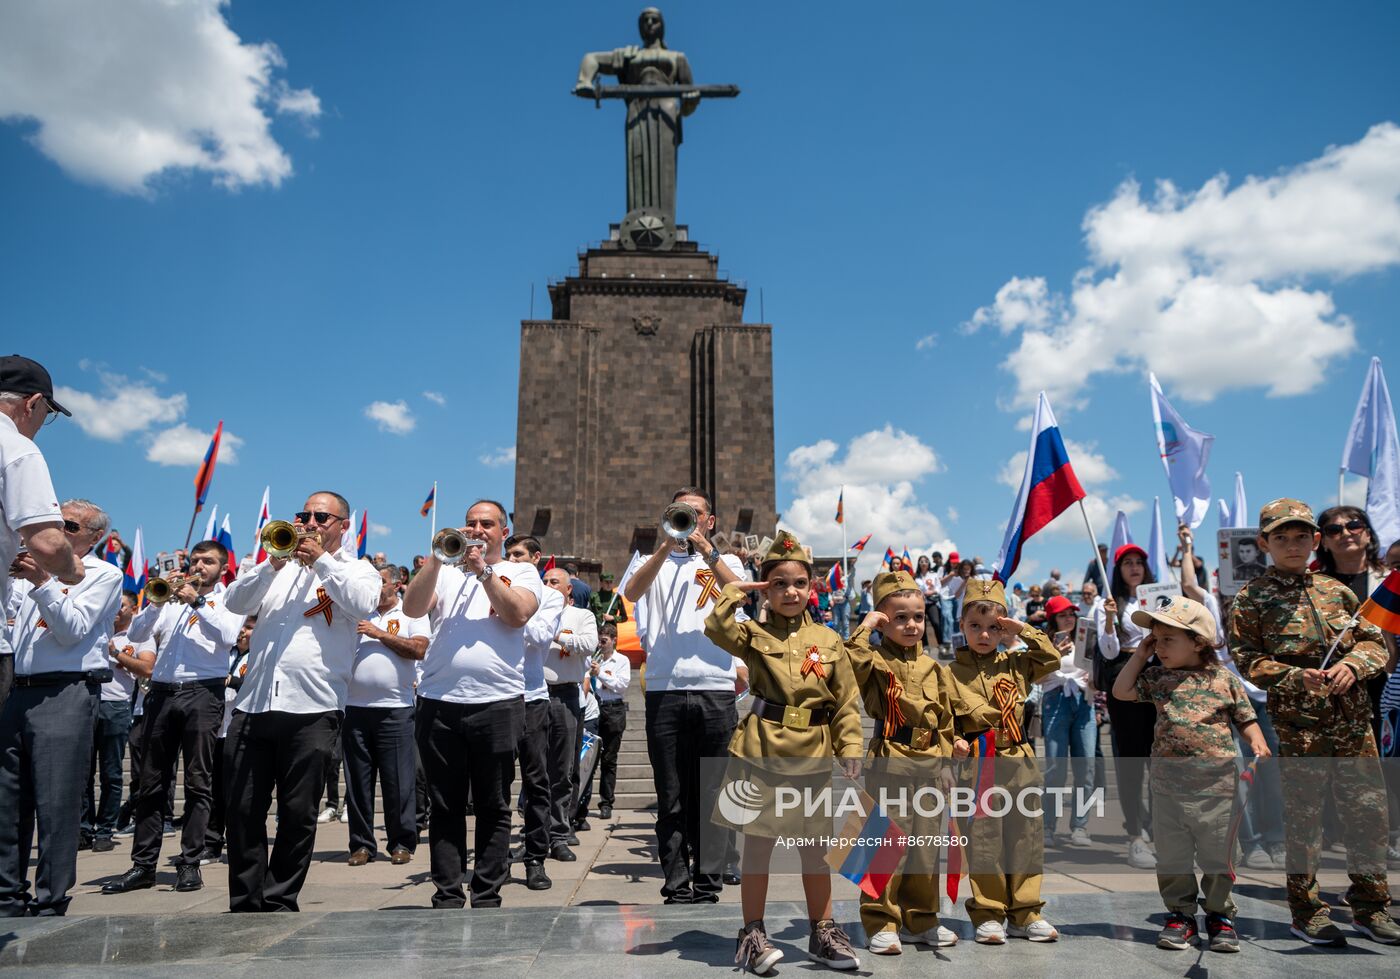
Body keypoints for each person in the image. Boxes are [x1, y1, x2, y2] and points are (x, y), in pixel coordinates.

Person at [1229, 498, 1399, 946]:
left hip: (1353, 724)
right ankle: (1306, 913)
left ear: (1315, 540)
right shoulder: (1251, 599)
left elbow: (1373, 643)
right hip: (1299, 727)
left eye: (1301, 536)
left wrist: (1354, 666)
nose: (1293, 545)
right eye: (1281, 537)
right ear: (1264, 543)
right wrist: (1293, 676)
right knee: (1304, 821)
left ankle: (1371, 908)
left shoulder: (1337, 592)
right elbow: (1246, 660)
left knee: (1368, 814)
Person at [703, 531, 864, 973]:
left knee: (815, 847)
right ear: (765, 590)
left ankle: (823, 932)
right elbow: (715, 628)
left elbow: (845, 700)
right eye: (779, 584)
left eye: (799, 583)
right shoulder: (752, 634)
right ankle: (753, 935)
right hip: (760, 750)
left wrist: (850, 745)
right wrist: (734, 592)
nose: (790, 592)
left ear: (812, 588)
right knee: (759, 846)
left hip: (812, 751)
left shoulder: (828, 640)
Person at [220, 491, 381, 913]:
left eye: (321, 517)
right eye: (304, 515)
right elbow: (234, 602)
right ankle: (245, 902)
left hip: (313, 706)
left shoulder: (357, 570)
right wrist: (272, 563)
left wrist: (321, 561)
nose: (310, 523)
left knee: (297, 812)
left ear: (343, 525)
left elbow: (364, 603)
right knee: (241, 809)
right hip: (254, 704)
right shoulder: (278, 566)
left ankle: (278, 899)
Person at [846, 570, 998, 955]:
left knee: (925, 848)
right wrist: (866, 627)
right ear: (883, 620)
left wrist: (947, 761)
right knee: (885, 845)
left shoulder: (934, 668)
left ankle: (922, 918)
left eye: (917, 616)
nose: (911, 625)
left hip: (929, 764)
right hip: (891, 760)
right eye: (899, 617)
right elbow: (849, 661)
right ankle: (881, 920)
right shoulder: (874, 658)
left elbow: (945, 719)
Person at [403, 500, 542, 909]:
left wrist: (483, 571)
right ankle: (447, 893)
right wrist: (436, 557)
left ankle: (486, 894)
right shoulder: (444, 571)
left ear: (503, 532)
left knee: (492, 804)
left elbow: (517, 614)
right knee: (444, 805)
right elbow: (411, 608)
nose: (477, 530)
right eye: (470, 523)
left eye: (486, 524)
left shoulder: (521, 571)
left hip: (497, 702)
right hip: (439, 700)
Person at [1113, 596, 1268, 953]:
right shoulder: (1157, 677)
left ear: (1198, 641)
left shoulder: (1223, 679)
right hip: (1168, 789)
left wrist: (1256, 740)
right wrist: (1139, 656)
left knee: (1219, 856)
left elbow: (1245, 718)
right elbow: (1121, 692)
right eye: (1155, 639)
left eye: (1168, 639)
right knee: (1172, 857)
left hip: (1218, 789)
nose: (1159, 647)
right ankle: (1180, 916)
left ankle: (1219, 915)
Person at [621, 486, 747, 904]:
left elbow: (740, 591)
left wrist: (706, 551)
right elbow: (631, 593)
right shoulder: (649, 560)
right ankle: (676, 886)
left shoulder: (725, 560)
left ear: (709, 521)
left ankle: (708, 885)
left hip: (715, 688)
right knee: (671, 795)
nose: (688, 519)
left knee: (712, 794)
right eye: (680, 512)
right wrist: (666, 546)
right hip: (665, 689)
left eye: (695, 513)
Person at [102, 539, 243, 895]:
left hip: (203, 692)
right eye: (195, 560)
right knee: (150, 783)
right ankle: (143, 865)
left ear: (223, 568)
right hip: (162, 694)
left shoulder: (229, 599)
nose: (199, 567)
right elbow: (137, 633)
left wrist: (197, 601)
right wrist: (156, 602)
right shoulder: (169, 602)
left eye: (208, 561)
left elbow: (228, 635)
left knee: (197, 782)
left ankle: (190, 862)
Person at [0, 497, 119, 917]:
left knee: (56, 803)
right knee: (8, 801)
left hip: (66, 691)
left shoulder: (104, 574)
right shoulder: (28, 569)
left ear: (94, 537)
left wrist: (42, 582)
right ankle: (7, 897)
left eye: (69, 526)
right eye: (55, 522)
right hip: (19, 689)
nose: (57, 531)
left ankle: (51, 900)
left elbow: (72, 631)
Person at [948, 579, 1062, 944]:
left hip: (1019, 759)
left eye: (993, 627)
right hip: (979, 764)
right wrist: (953, 740)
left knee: (1026, 837)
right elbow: (943, 719)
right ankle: (989, 912)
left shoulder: (1017, 663)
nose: (984, 634)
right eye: (975, 626)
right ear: (962, 625)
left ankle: (1026, 912)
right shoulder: (949, 673)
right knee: (984, 840)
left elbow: (1052, 659)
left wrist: (1022, 629)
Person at [0, 356, 85, 710]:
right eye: (46, 413)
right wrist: (72, 568)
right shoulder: (16, 447)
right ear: (32, 403)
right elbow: (48, 545)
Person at [343, 564, 430, 867]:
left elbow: (418, 649)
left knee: (399, 782)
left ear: (396, 584)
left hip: (395, 709)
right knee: (358, 783)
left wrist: (379, 634)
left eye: (379, 582)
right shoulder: (356, 614)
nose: (374, 587)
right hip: (354, 709)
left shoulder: (411, 613)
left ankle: (401, 842)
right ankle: (361, 845)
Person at [1096, 542, 1159, 869]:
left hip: (1159, 680)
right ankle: (1135, 832)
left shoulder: (1160, 599)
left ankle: (1158, 826)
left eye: (1139, 562)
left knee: (1160, 757)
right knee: (1131, 759)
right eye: (1127, 563)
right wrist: (1109, 620)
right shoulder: (1107, 603)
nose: (1134, 568)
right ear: (1118, 570)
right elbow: (1108, 651)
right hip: (1125, 679)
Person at [504, 533, 561, 891]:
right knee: (494, 783)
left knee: (537, 781)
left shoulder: (551, 596)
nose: (511, 560)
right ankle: (494, 859)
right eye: (508, 554)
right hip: (496, 696)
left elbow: (539, 636)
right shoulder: (494, 585)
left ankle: (535, 858)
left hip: (532, 698)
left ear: (536, 558)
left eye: (518, 555)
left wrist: (511, 608)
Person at [84, 593, 154, 852]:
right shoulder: (96, 627)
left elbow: (147, 669)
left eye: (121, 606)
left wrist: (115, 654)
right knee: (84, 772)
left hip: (116, 706)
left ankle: (105, 829)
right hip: (87, 702)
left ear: (132, 609)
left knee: (111, 772)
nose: (115, 610)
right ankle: (84, 828)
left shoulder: (139, 636)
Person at [540, 565, 598, 859]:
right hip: (535, 695)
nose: (549, 585)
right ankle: (535, 834)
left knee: (562, 770)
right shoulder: (532, 613)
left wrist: (557, 636)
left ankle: (559, 834)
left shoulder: (581, 616)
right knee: (535, 769)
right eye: (545, 581)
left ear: (568, 589)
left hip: (565, 695)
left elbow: (589, 644)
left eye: (555, 582)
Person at [1040, 595, 1095, 847]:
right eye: (1062, 615)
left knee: (1086, 767)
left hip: (1083, 701)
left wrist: (1094, 678)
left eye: (1071, 613)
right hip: (1056, 700)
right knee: (1056, 769)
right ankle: (1048, 826)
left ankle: (1080, 826)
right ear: (1053, 619)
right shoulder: (1043, 643)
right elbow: (1035, 678)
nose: (1069, 618)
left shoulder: (1085, 638)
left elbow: (1097, 667)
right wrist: (1054, 654)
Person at [203, 615, 254, 865]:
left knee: (235, 792)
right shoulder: (227, 653)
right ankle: (211, 843)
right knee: (214, 792)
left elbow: (254, 683)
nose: (243, 632)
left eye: (249, 628)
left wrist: (232, 681)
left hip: (241, 730)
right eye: (242, 627)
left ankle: (238, 844)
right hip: (217, 729)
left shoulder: (257, 655)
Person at [587, 621, 630, 820]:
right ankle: (582, 803)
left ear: (614, 641)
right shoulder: (593, 658)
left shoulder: (622, 660)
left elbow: (621, 685)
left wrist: (601, 674)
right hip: (595, 708)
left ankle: (606, 802)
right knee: (589, 758)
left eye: (604, 641)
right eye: (599, 641)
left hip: (613, 710)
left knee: (609, 759)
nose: (601, 645)